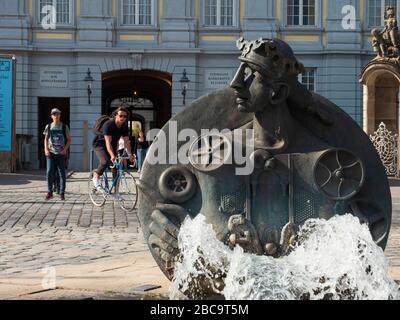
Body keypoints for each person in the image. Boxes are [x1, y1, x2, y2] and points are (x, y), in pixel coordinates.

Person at [92, 106, 135, 188]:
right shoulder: (108, 124)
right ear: (115, 115)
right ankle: (96, 175)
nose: (123, 118)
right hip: (100, 144)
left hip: (113, 143)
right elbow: (107, 142)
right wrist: (112, 155)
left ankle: (116, 192)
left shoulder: (124, 126)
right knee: (105, 161)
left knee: (116, 167)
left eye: (125, 116)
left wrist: (130, 154)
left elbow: (126, 141)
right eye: (120, 116)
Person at [43, 108, 71, 201]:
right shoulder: (48, 126)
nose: (56, 116)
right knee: (49, 172)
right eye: (54, 114)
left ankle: (62, 192)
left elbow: (69, 139)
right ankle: (49, 192)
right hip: (51, 153)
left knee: (62, 174)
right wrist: (46, 149)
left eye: (58, 114)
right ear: (51, 116)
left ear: (60, 115)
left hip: (61, 153)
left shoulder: (64, 127)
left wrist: (65, 150)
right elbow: (46, 139)